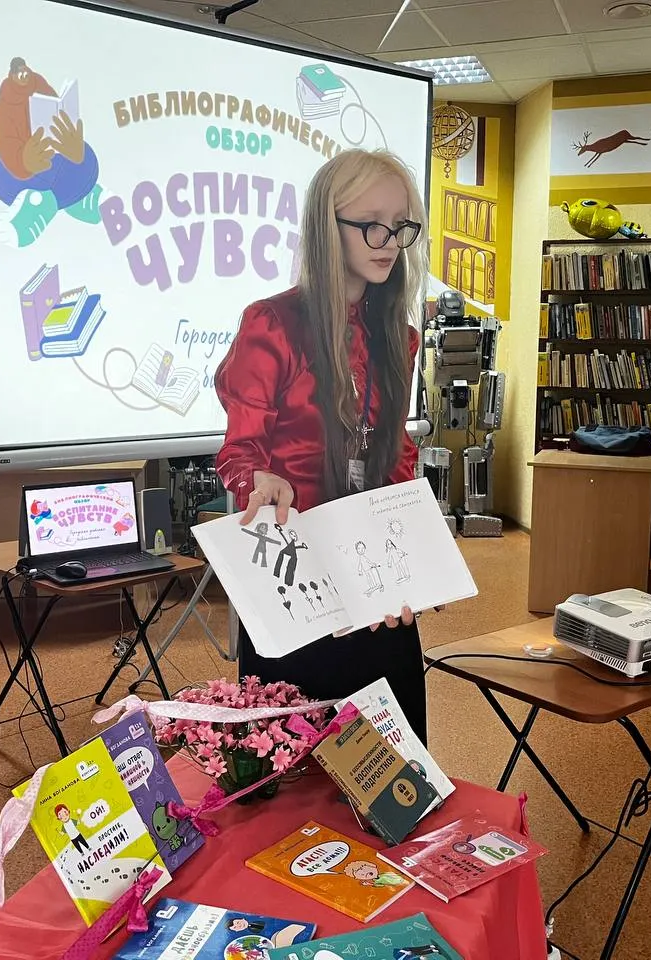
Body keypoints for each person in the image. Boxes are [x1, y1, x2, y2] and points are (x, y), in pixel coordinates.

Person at [214, 148, 429, 744]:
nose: (390, 242)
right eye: (371, 225)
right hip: (294, 581)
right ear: (325, 227)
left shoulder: (398, 336)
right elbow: (240, 451)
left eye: (401, 226)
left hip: (373, 582)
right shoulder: (272, 324)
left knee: (393, 770)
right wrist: (257, 479)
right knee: (294, 763)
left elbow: (396, 459)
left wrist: (412, 556)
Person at [0, 57, 103, 247]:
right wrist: (23, 162)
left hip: (55, 157)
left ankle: (77, 198)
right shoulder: (4, 105)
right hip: (26, 172)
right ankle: (36, 205)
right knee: (1, 175)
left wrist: (74, 149)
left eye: (25, 72)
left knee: (84, 158)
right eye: (19, 73)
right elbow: (4, 141)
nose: (24, 76)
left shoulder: (40, 85)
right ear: (12, 75)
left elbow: (56, 117)